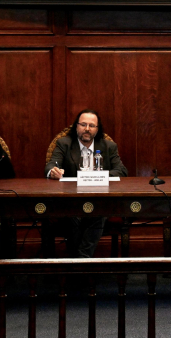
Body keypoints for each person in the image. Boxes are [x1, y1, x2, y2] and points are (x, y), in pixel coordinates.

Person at [44, 109, 127, 257]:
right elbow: (50, 165)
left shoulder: (108, 146)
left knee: (99, 212)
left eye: (91, 125)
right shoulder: (64, 144)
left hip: (100, 199)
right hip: (71, 201)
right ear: (76, 126)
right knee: (72, 215)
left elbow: (121, 171)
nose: (87, 129)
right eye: (83, 124)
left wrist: (98, 176)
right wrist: (53, 171)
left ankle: (79, 261)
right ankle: (82, 263)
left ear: (97, 129)